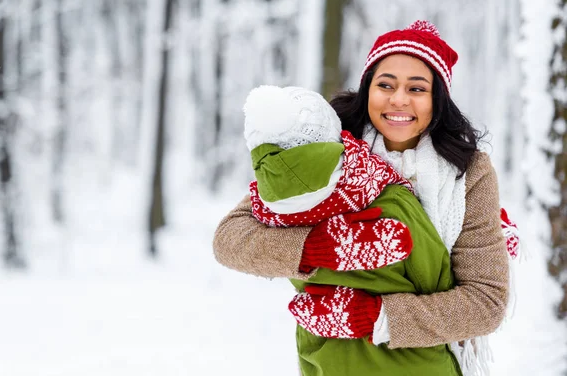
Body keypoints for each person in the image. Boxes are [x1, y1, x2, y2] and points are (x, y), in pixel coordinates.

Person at [213, 20, 512, 375]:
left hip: (423, 361)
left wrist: (379, 316)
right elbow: (229, 239)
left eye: (417, 88)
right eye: (385, 85)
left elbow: (486, 301)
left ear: (438, 100)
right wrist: (311, 248)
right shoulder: (328, 150)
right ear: (367, 89)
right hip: (332, 361)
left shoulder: (468, 172)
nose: (398, 99)